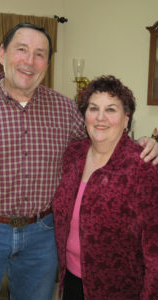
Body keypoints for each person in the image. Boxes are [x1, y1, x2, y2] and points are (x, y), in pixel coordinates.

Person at [0, 24, 157, 300]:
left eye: (39, 54)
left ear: (47, 63)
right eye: (22, 50)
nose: (29, 61)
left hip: (42, 237)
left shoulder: (64, 109)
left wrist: (144, 143)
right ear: (2, 53)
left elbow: (101, 137)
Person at [52, 75, 158, 300]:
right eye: (93, 108)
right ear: (85, 115)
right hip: (70, 280)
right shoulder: (73, 154)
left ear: (126, 119)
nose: (100, 118)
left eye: (111, 109)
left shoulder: (141, 166)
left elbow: (155, 251)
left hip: (118, 290)